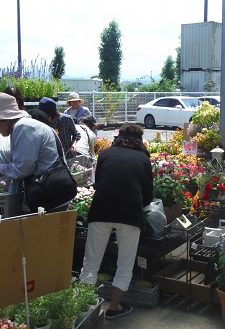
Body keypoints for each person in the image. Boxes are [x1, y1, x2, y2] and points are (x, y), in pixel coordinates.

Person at [80, 123, 153, 320]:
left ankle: (85, 309)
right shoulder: (143, 158)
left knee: (91, 261)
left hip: (101, 209)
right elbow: (148, 194)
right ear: (139, 140)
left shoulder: (105, 154)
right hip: (129, 213)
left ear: (118, 137)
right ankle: (114, 306)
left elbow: (98, 182)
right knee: (125, 262)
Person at [0, 92, 69, 213]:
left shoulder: (23, 127)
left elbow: (23, 168)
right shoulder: (21, 126)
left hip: (51, 197)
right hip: (51, 194)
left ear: (4, 118)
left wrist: (1, 168)